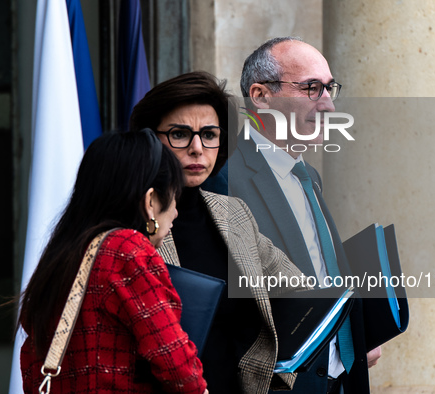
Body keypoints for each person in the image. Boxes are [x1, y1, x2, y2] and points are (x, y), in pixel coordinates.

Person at [129, 71, 305, 394]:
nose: (197, 148)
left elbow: (298, 291)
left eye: (209, 134)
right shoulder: (130, 222)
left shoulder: (233, 213)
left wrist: (283, 375)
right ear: (150, 139)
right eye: (180, 134)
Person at [228, 37, 382, 394]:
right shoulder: (226, 180)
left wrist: (356, 335)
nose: (328, 105)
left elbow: (320, 271)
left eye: (330, 89)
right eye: (311, 88)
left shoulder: (308, 175)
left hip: (341, 379)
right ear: (261, 96)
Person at [19, 130, 209, 393]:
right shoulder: (126, 251)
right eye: (175, 196)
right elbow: (177, 365)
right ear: (150, 201)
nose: (175, 212)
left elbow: (31, 364)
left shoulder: (61, 258)